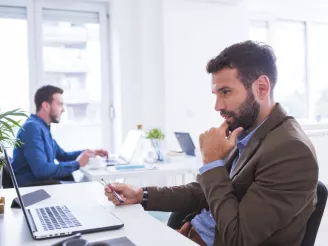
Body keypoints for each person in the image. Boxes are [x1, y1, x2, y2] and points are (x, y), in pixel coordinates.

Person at [105, 41, 318, 246]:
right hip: (189, 235)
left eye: (226, 92)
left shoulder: (291, 150)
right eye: (216, 94)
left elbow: (238, 238)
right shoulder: (246, 130)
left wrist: (212, 163)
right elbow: (204, 191)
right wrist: (141, 195)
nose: (217, 106)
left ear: (261, 88)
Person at [12, 85, 108, 187]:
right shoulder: (32, 128)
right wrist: (77, 163)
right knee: (86, 186)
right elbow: (41, 170)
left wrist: (88, 153)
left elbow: (63, 156)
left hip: (42, 183)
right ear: (46, 106)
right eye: (60, 104)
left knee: (84, 184)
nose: (63, 110)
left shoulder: (42, 127)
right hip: (33, 189)